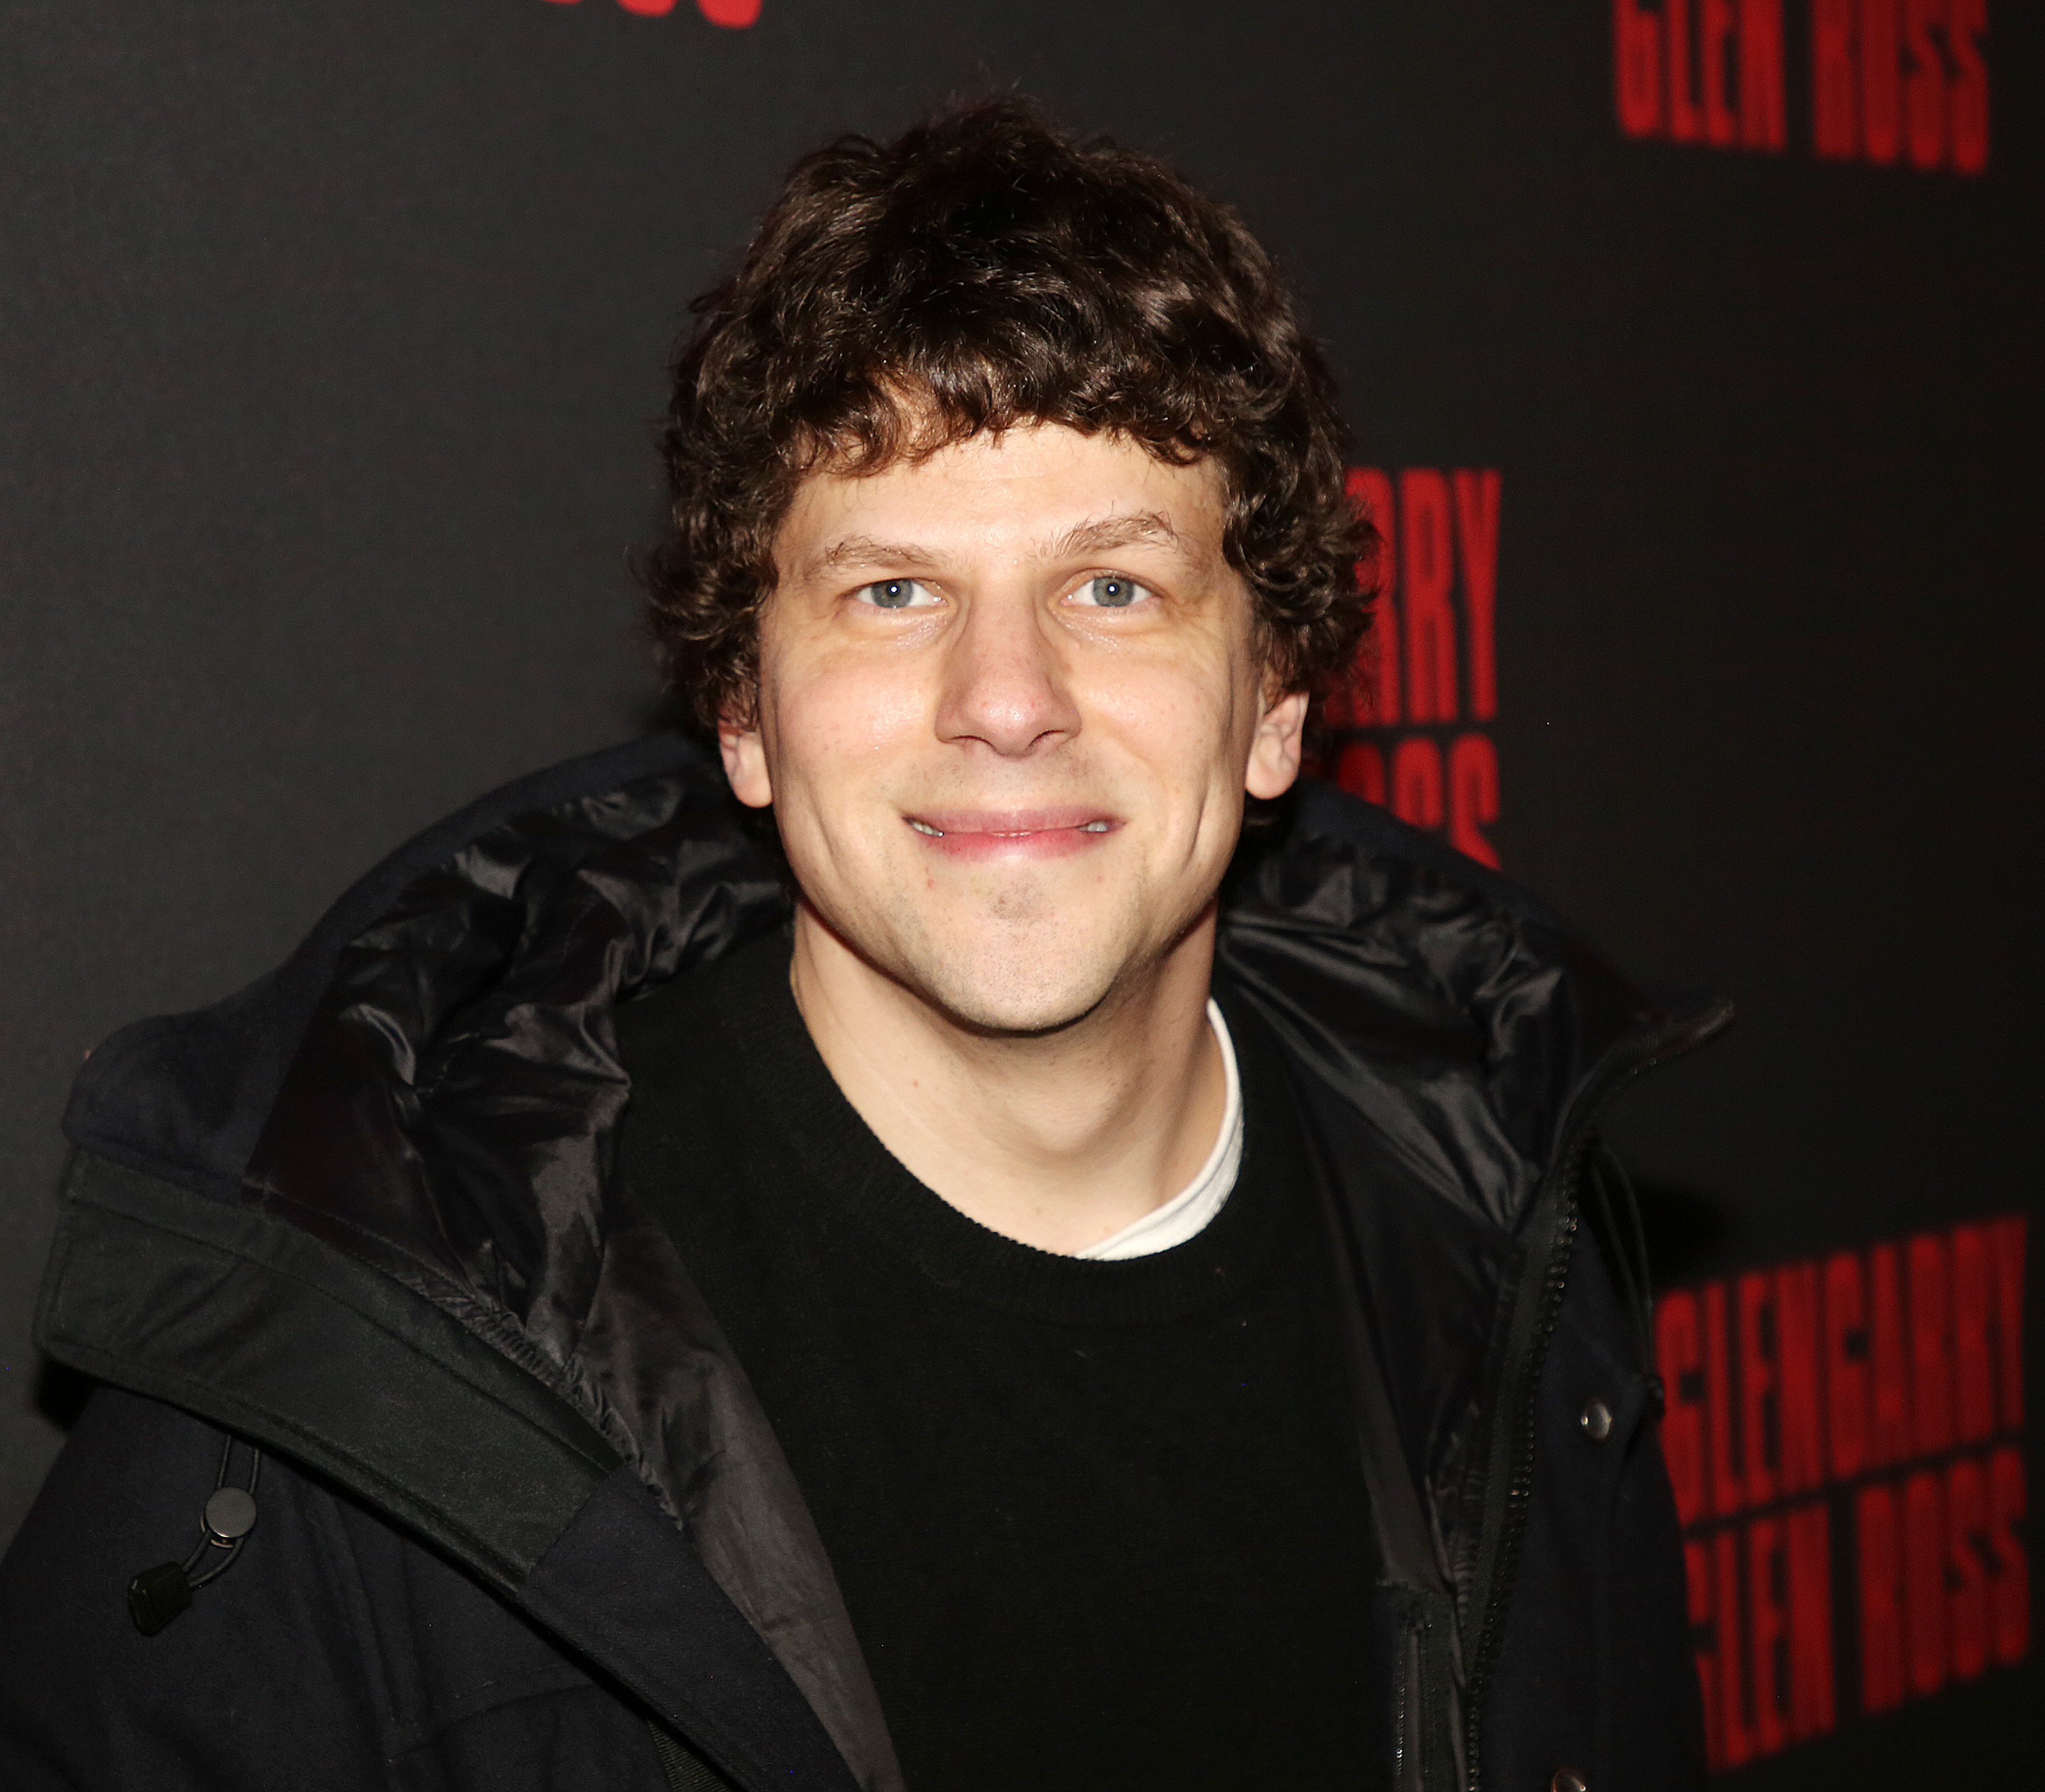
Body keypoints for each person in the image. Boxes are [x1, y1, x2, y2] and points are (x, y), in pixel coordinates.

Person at [0, 99, 1724, 1792]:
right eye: (893, 590)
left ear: (1274, 701)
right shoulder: (381, 1365)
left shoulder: (1499, 1253)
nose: (1006, 701)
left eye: (1113, 586)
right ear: (744, 711)